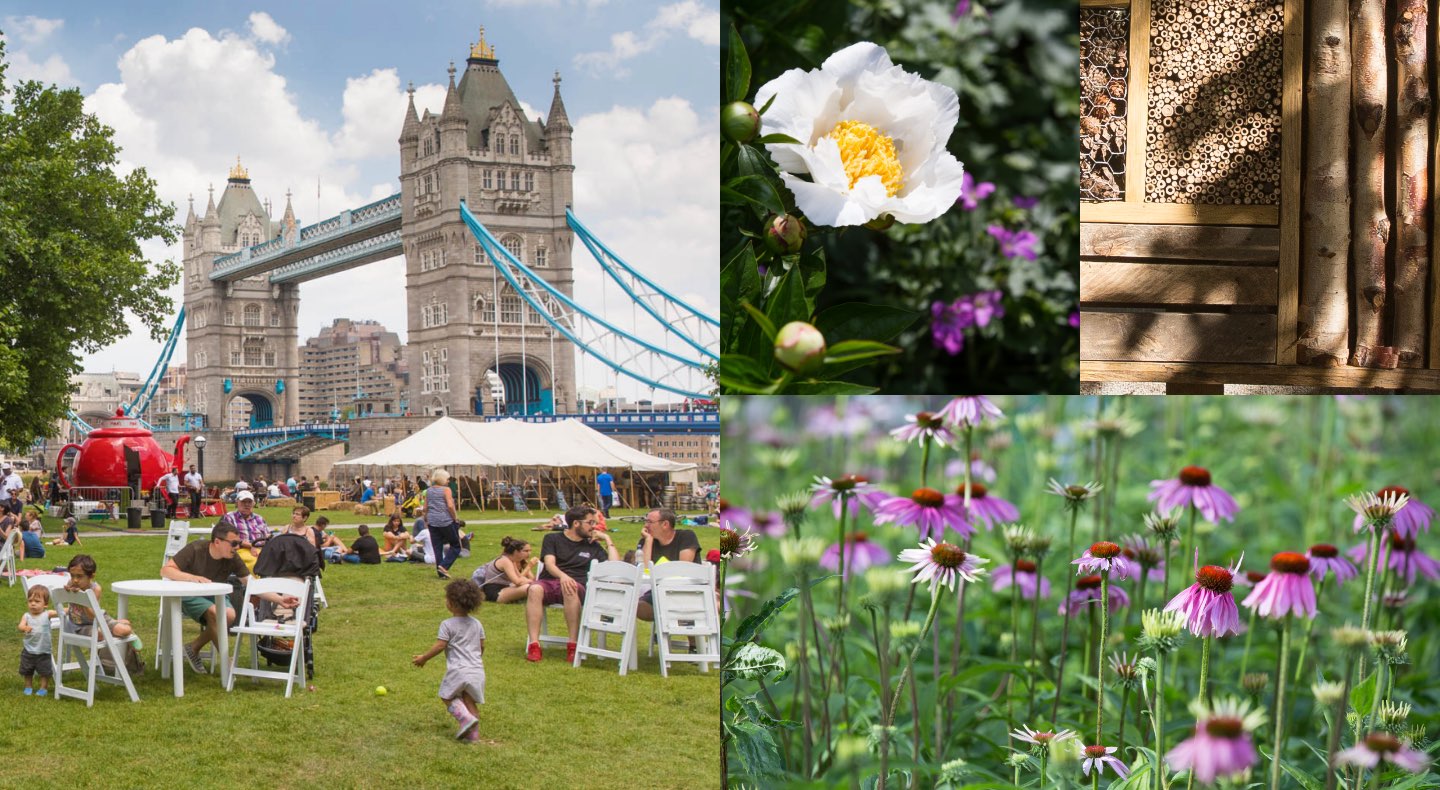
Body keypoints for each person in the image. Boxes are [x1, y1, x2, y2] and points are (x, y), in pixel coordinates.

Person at [163, 523, 295, 674]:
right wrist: (192, 578)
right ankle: (227, 660)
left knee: (230, 615)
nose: (237, 547)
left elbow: (252, 585)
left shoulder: (232, 558)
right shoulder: (196, 548)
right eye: (234, 543)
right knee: (215, 612)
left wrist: (280, 599)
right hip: (187, 594)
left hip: (214, 594)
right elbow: (166, 570)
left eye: (239, 543)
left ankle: (193, 647)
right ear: (217, 541)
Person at [524, 506, 618, 663]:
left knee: (570, 588)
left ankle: (573, 645)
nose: (594, 526)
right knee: (534, 588)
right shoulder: (552, 539)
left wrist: (608, 539)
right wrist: (563, 576)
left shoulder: (592, 545)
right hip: (551, 581)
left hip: (577, 585)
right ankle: (534, 645)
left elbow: (614, 566)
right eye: (590, 522)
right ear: (576, 523)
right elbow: (549, 564)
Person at [412, 579, 487, 742]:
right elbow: (481, 646)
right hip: (477, 670)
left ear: (452, 603)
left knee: (446, 696)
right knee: (469, 700)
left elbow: (440, 646)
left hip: (458, 670)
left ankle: (465, 719)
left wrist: (424, 658)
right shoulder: (477, 624)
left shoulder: (447, 624)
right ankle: (473, 737)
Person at [635, 509, 700, 621]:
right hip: (658, 593)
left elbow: (684, 568)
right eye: (645, 521)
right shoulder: (645, 542)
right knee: (635, 607)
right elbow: (645, 571)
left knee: (687, 614)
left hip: (688, 591)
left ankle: (670, 626)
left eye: (650, 522)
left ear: (665, 524)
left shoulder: (686, 537)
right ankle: (664, 632)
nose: (646, 525)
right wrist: (649, 541)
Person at [62, 553, 134, 642]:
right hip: (81, 625)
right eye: (72, 575)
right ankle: (117, 624)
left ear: (91, 576)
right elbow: (67, 605)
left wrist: (83, 599)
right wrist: (67, 592)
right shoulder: (71, 584)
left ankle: (120, 628)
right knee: (99, 635)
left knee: (125, 630)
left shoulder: (95, 589)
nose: (75, 580)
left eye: (79, 576)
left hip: (98, 617)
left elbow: (92, 616)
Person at [471, 537, 536, 604]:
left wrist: (532, 581)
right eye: (526, 551)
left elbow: (520, 577)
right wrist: (532, 581)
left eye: (530, 551)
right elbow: (517, 582)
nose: (529, 553)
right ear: (516, 551)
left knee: (532, 586)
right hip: (496, 592)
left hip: (505, 587)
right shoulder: (505, 561)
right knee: (528, 587)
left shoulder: (512, 561)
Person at [19, 585, 57, 696]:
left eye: (37, 601)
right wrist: (25, 628)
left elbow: (59, 611)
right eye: (30, 601)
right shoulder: (26, 616)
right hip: (28, 650)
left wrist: (71, 608)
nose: (33, 604)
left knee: (44, 671)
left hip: (44, 650)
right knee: (27, 670)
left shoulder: (47, 614)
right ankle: (28, 686)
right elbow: (20, 626)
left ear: (45, 604)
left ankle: (43, 688)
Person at [425, 470, 463, 580]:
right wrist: (455, 518)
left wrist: (426, 519)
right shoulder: (446, 490)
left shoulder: (429, 490)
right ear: (442, 479)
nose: (448, 481)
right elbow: (450, 506)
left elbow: (425, 507)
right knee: (456, 545)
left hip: (432, 521)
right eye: (447, 479)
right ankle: (444, 566)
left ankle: (441, 574)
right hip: (445, 520)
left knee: (437, 547)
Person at [221, 491, 270, 571]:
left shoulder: (259, 518)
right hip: (241, 549)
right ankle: (257, 583)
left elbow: (267, 535)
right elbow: (230, 538)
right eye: (243, 502)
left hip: (261, 549)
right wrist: (251, 546)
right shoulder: (229, 517)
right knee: (257, 564)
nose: (247, 505)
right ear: (237, 503)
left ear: (253, 503)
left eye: (249, 502)